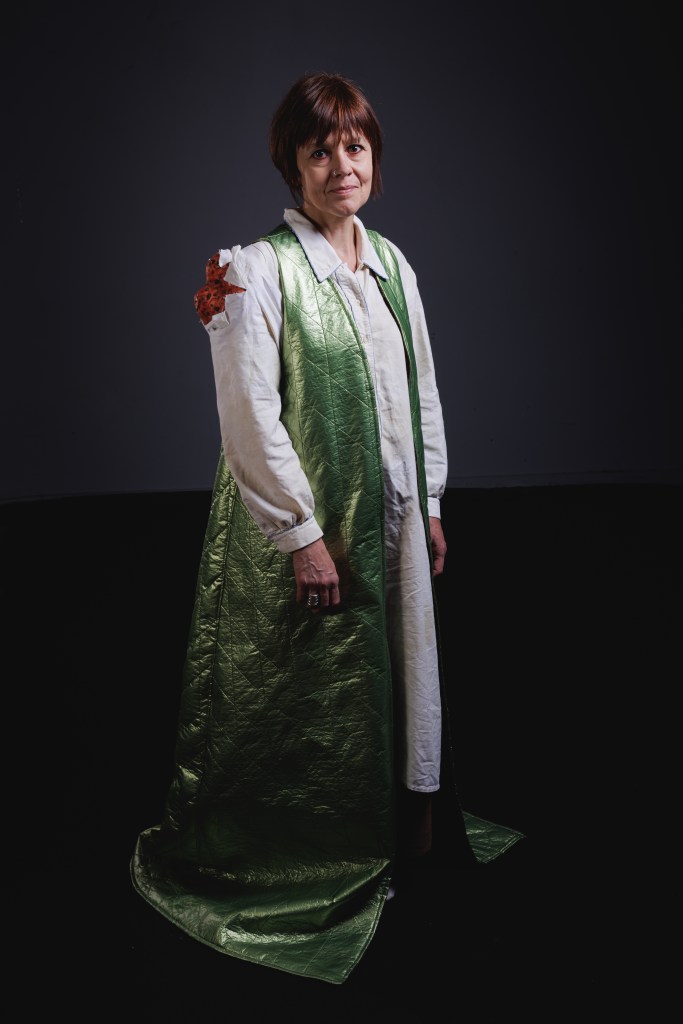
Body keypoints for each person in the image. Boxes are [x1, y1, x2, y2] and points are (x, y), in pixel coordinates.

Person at [131, 71, 523, 985]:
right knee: (304, 698)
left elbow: (422, 389)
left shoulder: (391, 263)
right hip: (314, 531)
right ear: (292, 165)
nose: (341, 165)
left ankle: (404, 831)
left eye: (354, 146)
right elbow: (249, 418)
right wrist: (302, 537)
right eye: (320, 150)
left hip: (393, 517)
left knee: (405, 665)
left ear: (374, 157)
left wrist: (429, 502)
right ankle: (306, 853)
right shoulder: (255, 271)